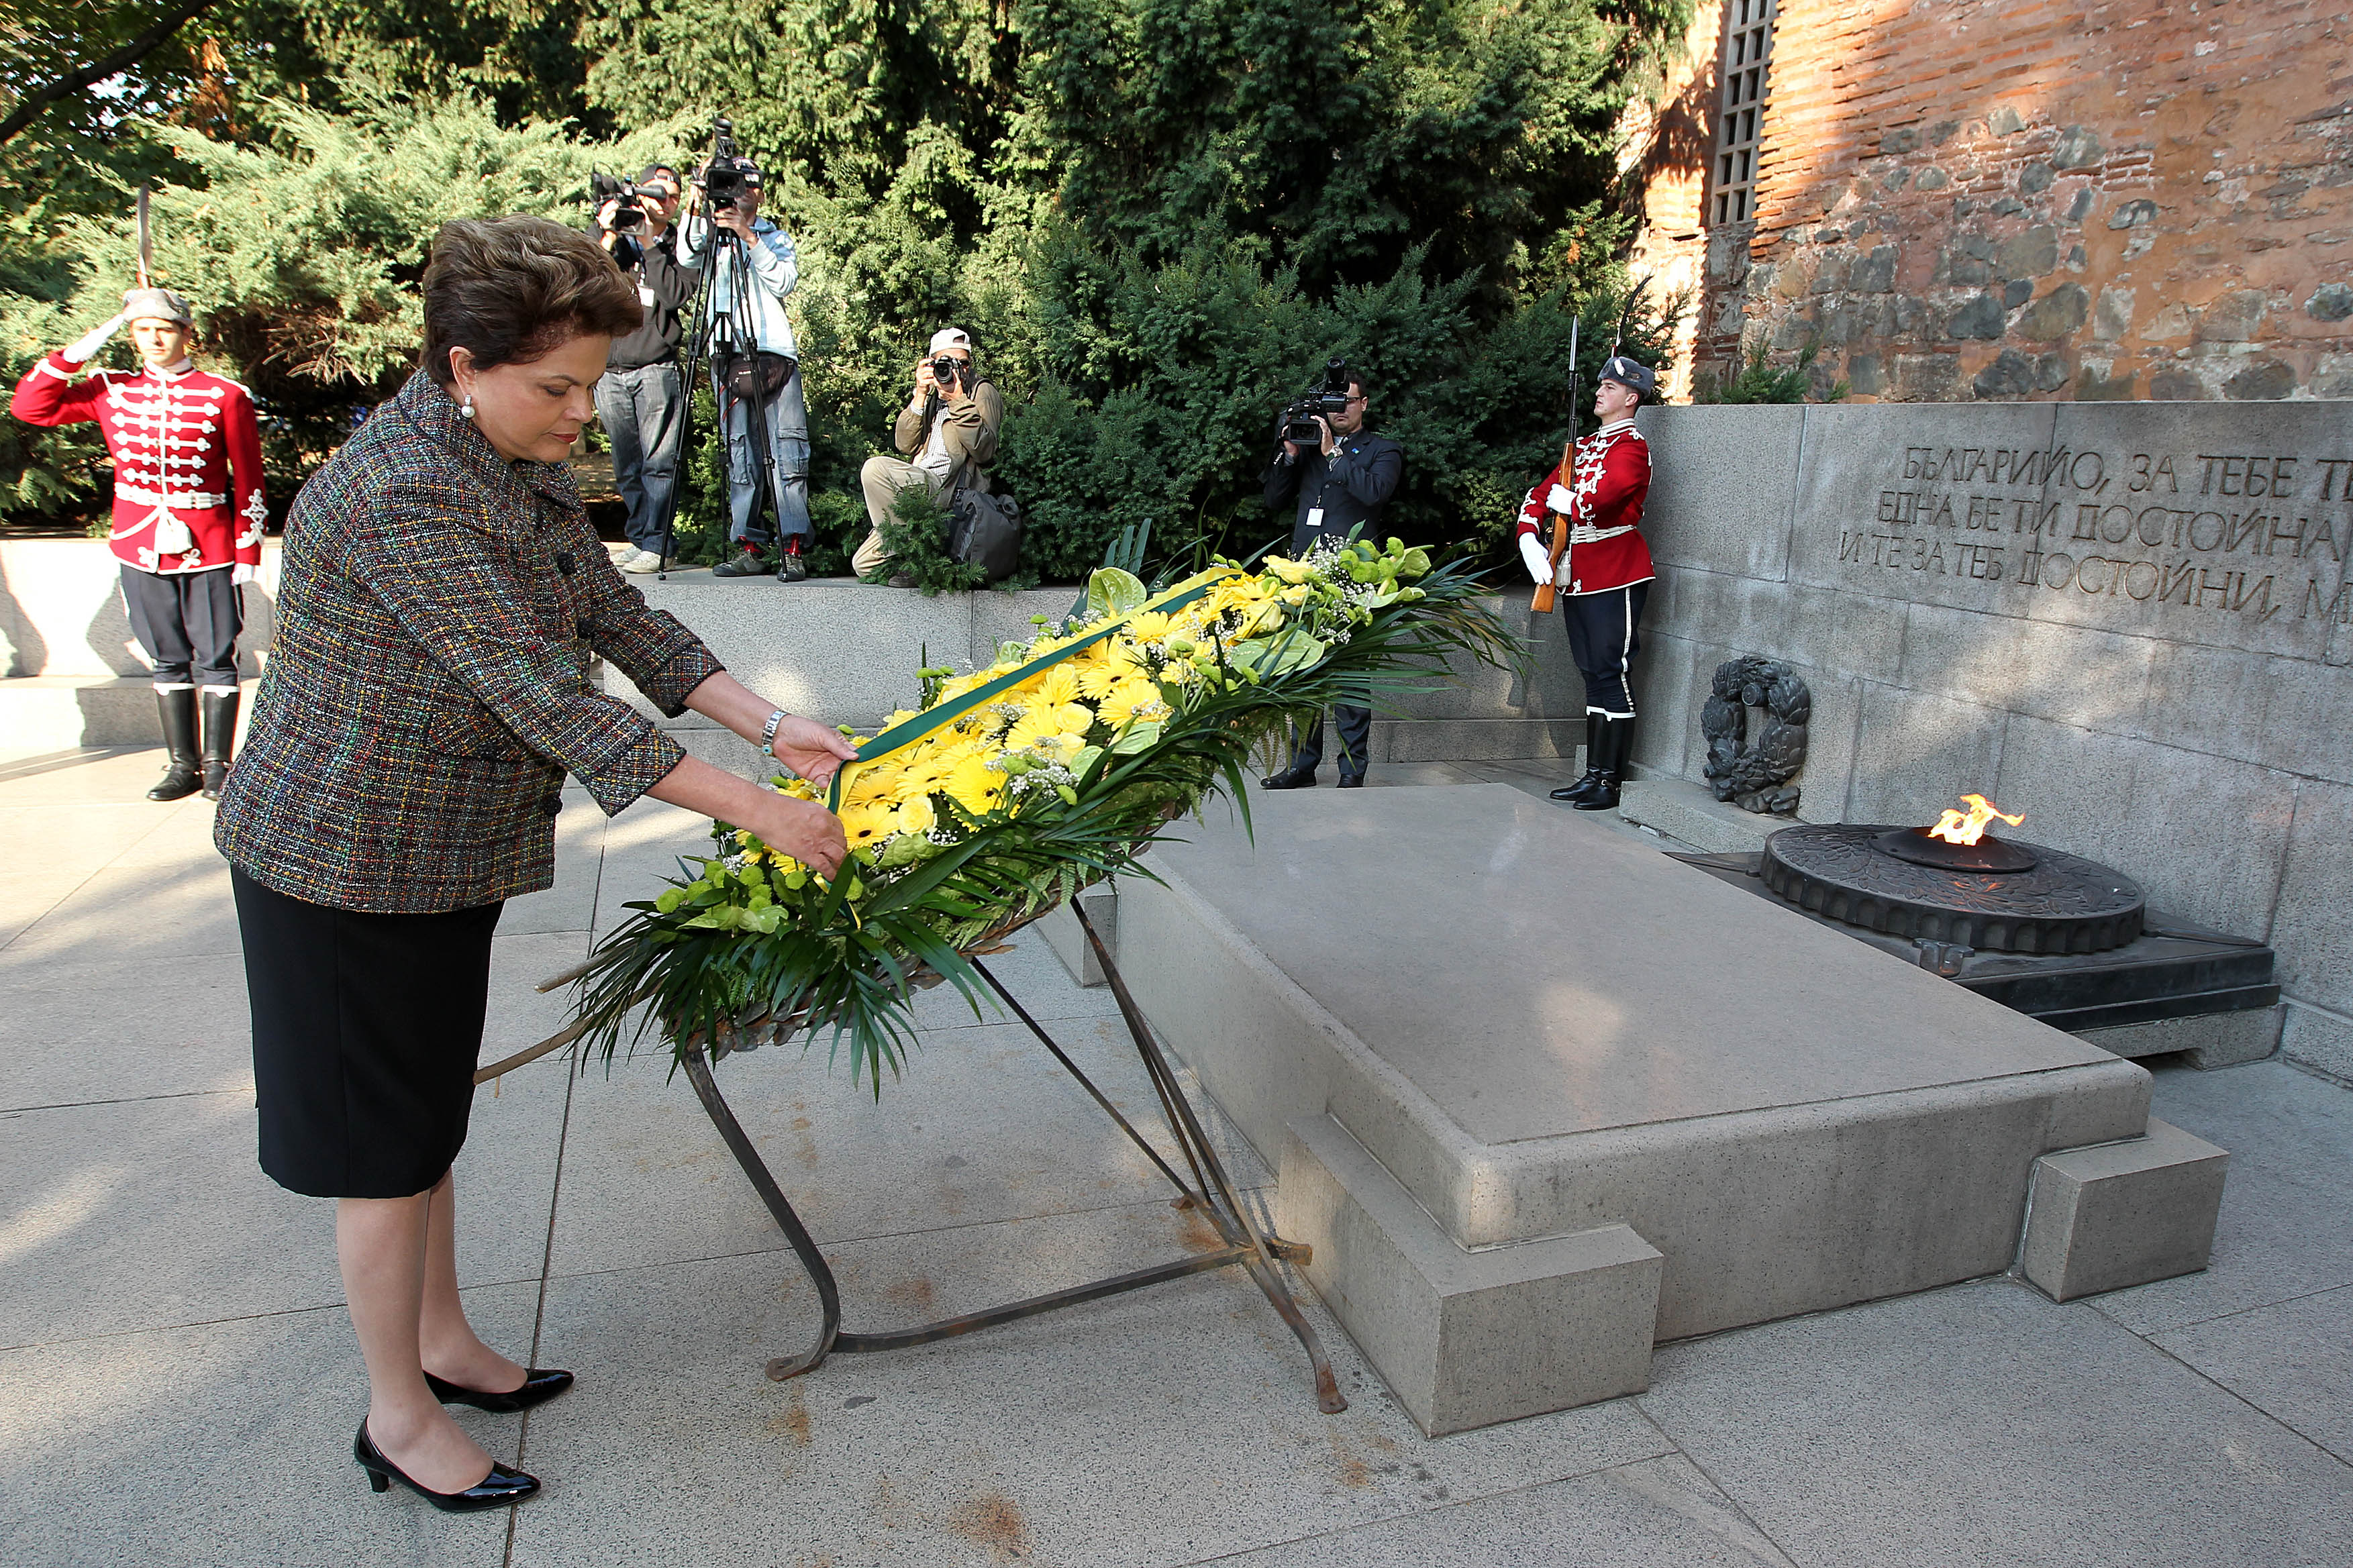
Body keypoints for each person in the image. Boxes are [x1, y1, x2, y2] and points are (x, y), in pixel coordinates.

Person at [211, 215, 855, 1512]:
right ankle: (397, 1414)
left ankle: (443, 1343)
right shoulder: (406, 491)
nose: (583, 415)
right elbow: (545, 694)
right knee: (381, 1153)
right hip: (339, 862)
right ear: (461, 365)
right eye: (558, 388)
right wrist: (760, 809)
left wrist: (773, 723)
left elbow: (614, 615)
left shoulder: (509, 455)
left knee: (425, 1119)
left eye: (594, 385)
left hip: (433, 852)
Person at [10, 286, 266, 801]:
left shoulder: (223, 395)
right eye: (142, 330)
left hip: (210, 542)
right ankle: (181, 766)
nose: (153, 338)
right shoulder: (110, 389)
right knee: (166, 656)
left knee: (217, 656)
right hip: (139, 539)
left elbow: (250, 477)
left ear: (186, 334)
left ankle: (218, 765)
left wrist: (247, 551)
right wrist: (86, 345)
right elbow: (30, 406)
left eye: (164, 328)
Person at [1516, 355, 1656, 812]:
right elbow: (1540, 495)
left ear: (1631, 398)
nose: (1600, 392)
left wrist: (1572, 501)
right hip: (1577, 575)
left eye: (1611, 388)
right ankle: (1592, 774)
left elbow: (1608, 496)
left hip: (1616, 573)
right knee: (1592, 677)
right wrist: (1529, 540)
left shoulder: (1631, 446)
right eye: (1600, 386)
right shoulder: (1584, 446)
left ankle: (1609, 780)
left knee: (1611, 674)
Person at [1256, 367, 1401, 789]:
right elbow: (1273, 499)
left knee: (1350, 677)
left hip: (1354, 574)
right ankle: (1302, 767)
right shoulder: (1308, 446)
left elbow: (1375, 493)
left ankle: (1352, 771)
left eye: (1347, 403)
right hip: (1304, 573)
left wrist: (1333, 454)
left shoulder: (1383, 449)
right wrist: (1288, 454)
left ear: (1364, 405)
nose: (1338, 412)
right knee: (1303, 673)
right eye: (1332, 405)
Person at [679, 160, 813, 580]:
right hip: (729, 352)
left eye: (744, 186)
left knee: (788, 451)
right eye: (729, 185)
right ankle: (748, 547)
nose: (736, 194)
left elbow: (784, 282)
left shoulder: (774, 235)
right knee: (740, 453)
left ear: (758, 191)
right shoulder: (709, 233)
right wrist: (697, 197)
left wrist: (747, 236)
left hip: (774, 354)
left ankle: (792, 548)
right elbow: (685, 253)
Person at [592, 164, 700, 573]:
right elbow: (584, 279)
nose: (666, 202)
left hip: (656, 366)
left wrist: (651, 243)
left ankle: (657, 544)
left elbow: (675, 294)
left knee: (660, 462)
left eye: (674, 195)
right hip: (611, 370)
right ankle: (641, 539)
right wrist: (608, 232)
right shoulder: (616, 233)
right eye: (659, 193)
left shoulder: (680, 243)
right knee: (627, 464)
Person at [851, 327, 1003, 584]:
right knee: (864, 564)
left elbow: (984, 451)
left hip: (948, 488)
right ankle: (922, 556)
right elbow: (905, 445)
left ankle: (916, 559)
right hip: (920, 481)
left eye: (964, 363)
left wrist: (957, 400)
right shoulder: (932, 397)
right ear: (932, 366)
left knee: (874, 468)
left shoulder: (981, 391)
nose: (957, 371)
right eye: (948, 364)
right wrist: (920, 396)